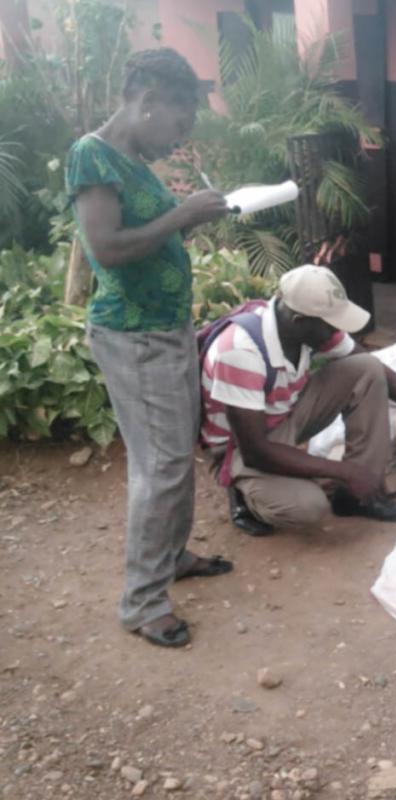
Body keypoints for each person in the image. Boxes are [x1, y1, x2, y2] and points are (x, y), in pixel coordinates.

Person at [67, 48, 233, 649]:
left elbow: (148, 235)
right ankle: (142, 601)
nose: (180, 138)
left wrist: (187, 221)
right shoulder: (93, 155)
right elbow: (106, 248)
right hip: (133, 335)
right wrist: (181, 214)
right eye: (180, 123)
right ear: (146, 103)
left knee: (171, 455)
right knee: (158, 465)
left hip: (164, 329)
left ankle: (171, 555)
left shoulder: (133, 160)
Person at [200, 265, 396, 534]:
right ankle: (244, 494)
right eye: (330, 323)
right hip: (241, 446)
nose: (337, 331)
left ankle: (357, 497)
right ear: (300, 322)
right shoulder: (240, 353)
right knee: (308, 507)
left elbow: (378, 371)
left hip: (285, 415)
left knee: (367, 369)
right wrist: (343, 471)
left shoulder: (304, 328)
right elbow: (256, 451)